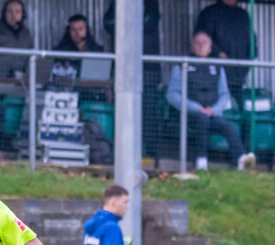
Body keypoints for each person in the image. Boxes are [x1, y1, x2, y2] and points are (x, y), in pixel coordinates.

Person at [166, 31, 256, 172]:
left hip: (212, 114)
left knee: (228, 127)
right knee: (202, 119)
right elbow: (172, 95)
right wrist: (196, 108)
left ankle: (240, 159)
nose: (201, 46)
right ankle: (201, 162)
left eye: (204, 43)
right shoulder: (182, 65)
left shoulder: (218, 67)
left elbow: (224, 94)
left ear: (210, 48)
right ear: (192, 46)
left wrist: (213, 110)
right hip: (189, 115)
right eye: (197, 43)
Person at [103, 0, 161, 157]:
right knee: (122, 113)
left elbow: (151, 21)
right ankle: (121, 153)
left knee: (148, 114)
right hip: (123, 67)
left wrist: (127, 26)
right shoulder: (118, 2)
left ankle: (149, 153)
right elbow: (108, 23)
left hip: (148, 70)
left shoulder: (151, 3)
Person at [195, 0, 255, 103]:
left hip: (238, 72)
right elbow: (201, 37)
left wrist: (249, 58)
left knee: (238, 104)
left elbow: (251, 39)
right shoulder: (210, 12)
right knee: (217, 103)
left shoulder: (243, 15)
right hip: (214, 73)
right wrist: (218, 53)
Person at [0, 0, 34, 78]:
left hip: (22, 81)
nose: (13, 15)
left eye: (17, 12)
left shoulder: (26, 34)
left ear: (23, 15)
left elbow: (31, 57)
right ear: (4, 14)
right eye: (10, 11)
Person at [53, 14, 104, 79]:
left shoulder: (97, 51)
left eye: (80, 29)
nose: (77, 33)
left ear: (86, 29)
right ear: (68, 31)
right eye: (73, 29)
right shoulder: (60, 52)